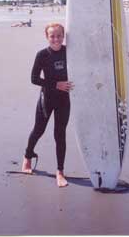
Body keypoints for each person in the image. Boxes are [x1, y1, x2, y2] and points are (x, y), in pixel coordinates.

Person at [22, 23, 74, 187]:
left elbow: (91, 60)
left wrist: (123, 55)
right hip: (47, 98)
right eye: (52, 36)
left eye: (59, 35)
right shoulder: (42, 55)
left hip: (64, 99)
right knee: (39, 129)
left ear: (63, 36)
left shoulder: (69, 52)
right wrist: (56, 84)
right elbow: (34, 78)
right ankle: (27, 156)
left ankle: (60, 172)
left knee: (60, 134)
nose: (56, 39)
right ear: (47, 37)